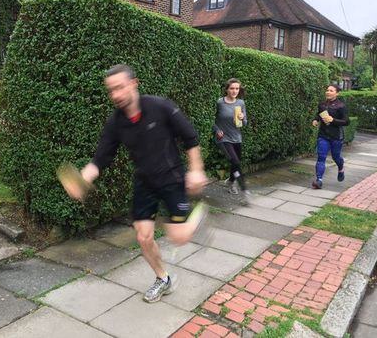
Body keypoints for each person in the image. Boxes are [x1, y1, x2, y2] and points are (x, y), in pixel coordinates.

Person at [64, 64, 208, 303]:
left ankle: (197, 218)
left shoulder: (160, 106)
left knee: (178, 237)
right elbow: (101, 157)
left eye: (120, 87)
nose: (116, 95)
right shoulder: (115, 122)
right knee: (143, 237)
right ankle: (163, 279)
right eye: (111, 90)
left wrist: (196, 169)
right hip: (144, 183)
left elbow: (190, 137)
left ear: (134, 83)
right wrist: (83, 179)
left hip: (171, 179)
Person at [212, 78, 250, 204]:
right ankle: (245, 191)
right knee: (235, 161)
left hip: (236, 138)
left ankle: (231, 181)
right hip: (223, 138)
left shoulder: (241, 103)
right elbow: (211, 119)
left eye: (237, 89)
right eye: (232, 88)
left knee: (236, 163)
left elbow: (244, 124)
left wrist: (242, 118)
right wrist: (217, 130)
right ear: (227, 89)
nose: (234, 91)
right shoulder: (219, 102)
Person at [311, 84, 349, 189]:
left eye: (331, 90)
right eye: (327, 90)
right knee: (321, 157)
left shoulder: (341, 106)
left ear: (337, 93)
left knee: (335, 157)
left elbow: (346, 121)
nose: (328, 92)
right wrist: (315, 120)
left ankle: (341, 167)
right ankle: (319, 180)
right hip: (323, 135)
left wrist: (333, 120)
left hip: (336, 136)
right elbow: (319, 114)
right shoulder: (322, 104)